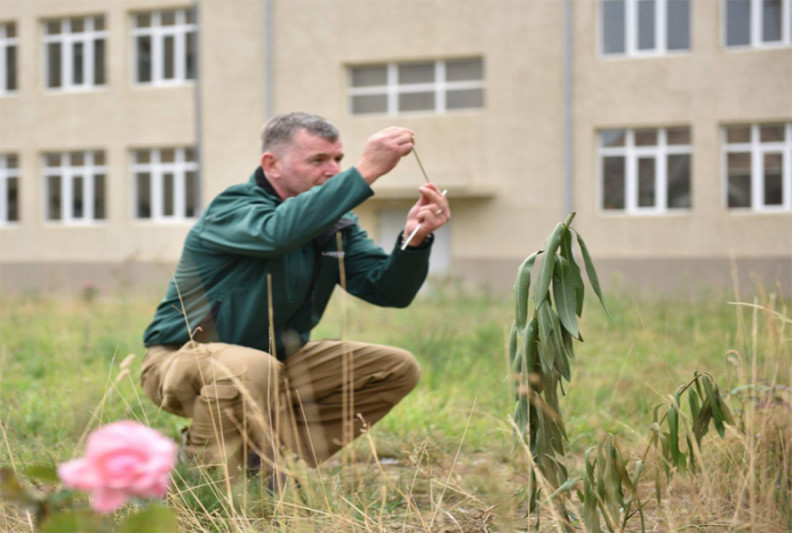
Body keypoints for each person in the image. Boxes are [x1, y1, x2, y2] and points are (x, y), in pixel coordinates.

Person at [139, 112, 450, 478]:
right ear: (272, 164)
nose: (333, 170)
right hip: (181, 362)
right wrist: (366, 170)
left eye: (338, 159)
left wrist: (415, 239)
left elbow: (388, 291)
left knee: (394, 368)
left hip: (275, 365)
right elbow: (277, 234)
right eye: (318, 160)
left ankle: (264, 462)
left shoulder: (337, 226)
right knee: (253, 367)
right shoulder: (234, 207)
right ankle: (203, 480)